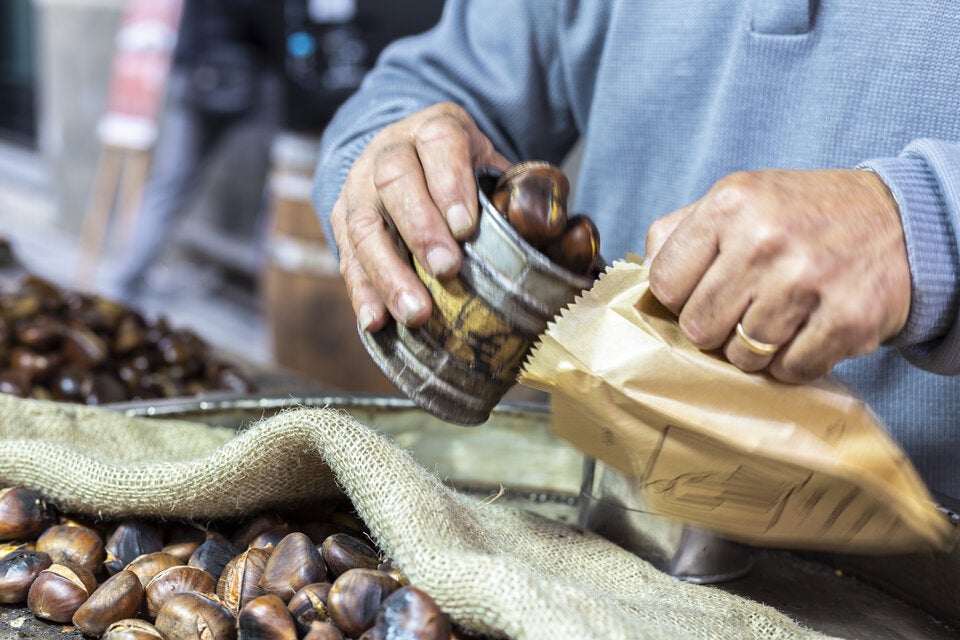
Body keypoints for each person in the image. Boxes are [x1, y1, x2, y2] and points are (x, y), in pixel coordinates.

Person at [313, 1, 960, 498]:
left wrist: (928, 227)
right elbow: (432, 80)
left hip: (922, 562)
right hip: (615, 523)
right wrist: (391, 154)